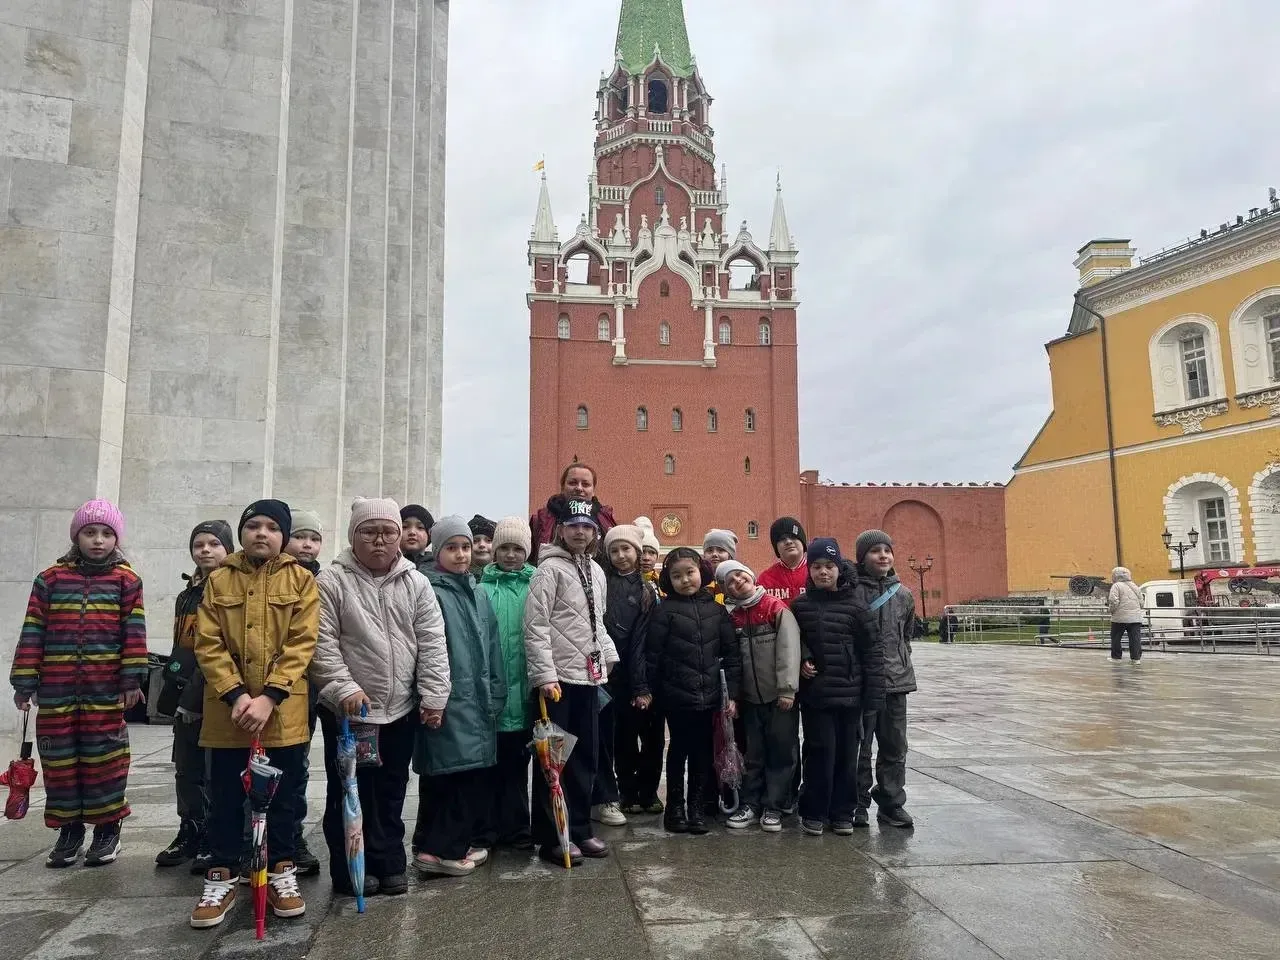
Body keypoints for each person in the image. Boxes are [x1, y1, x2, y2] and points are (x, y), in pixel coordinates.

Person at [311, 498, 450, 898]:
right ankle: (351, 869)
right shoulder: (331, 581)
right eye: (369, 532)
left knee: (391, 789)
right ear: (353, 536)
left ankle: (389, 861)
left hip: (400, 709)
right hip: (350, 712)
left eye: (388, 532)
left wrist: (434, 695)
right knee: (349, 792)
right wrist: (344, 689)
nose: (379, 540)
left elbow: (432, 642)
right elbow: (321, 644)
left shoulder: (415, 582)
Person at [191, 500, 319, 929]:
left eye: (271, 527)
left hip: (282, 713)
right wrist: (235, 694)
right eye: (253, 526)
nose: (261, 533)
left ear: (284, 536)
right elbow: (208, 642)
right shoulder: (219, 579)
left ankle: (281, 869)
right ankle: (223, 874)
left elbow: (303, 642)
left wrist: (269, 697)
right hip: (229, 713)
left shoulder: (301, 580)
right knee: (225, 798)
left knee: (285, 798)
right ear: (242, 533)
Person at [9, 499, 148, 869]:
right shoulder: (50, 580)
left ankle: (107, 829)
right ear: (77, 537)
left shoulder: (126, 581)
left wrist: (130, 679)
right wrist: (25, 682)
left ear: (116, 539)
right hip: (56, 691)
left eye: (106, 533)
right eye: (90, 532)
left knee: (105, 759)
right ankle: (68, 830)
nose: (98, 540)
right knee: (60, 761)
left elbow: (134, 633)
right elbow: (33, 631)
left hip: (104, 691)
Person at [524, 497, 619, 865]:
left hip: (588, 679)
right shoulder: (548, 570)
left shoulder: (596, 570)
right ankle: (553, 836)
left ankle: (579, 827)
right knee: (554, 761)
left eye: (587, 526)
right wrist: (544, 675)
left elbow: (597, 621)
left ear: (595, 532)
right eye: (573, 525)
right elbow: (535, 626)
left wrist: (608, 657)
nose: (580, 532)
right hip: (558, 681)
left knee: (585, 758)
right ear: (560, 529)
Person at [411, 516, 506, 878]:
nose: (462, 554)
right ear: (437, 550)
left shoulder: (477, 592)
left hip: (477, 700)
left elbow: (493, 645)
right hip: (448, 699)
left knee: (463, 775)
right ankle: (444, 851)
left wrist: (496, 689)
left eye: (465, 547)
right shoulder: (430, 590)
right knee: (452, 778)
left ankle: (438, 845)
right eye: (452, 547)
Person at [791, 538, 884, 838]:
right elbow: (792, 642)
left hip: (850, 696)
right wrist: (803, 658)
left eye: (829, 566)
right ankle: (814, 812)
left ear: (839, 568)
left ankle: (843, 812)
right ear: (810, 570)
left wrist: (873, 697)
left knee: (847, 755)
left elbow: (872, 652)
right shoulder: (801, 606)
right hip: (816, 696)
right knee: (819, 753)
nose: (823, 572)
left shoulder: (856, 607)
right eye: (817, 566)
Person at [155, 520, 234, 872]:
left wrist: (194, 696)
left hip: (212, 692)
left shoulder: (229, 589)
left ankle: (214, 835)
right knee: (186, 768)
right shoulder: (187, 593)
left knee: (214, 770)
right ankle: (190, 828)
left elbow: (217, 649)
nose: (205, 550)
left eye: (214, 544)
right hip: (182, 687)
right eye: (199, 544)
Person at [646, 548, 740, 835]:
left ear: (701, 572)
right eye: (677, 576)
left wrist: (733, 695)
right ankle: (675, 807)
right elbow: (653, 656)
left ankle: (697, 806)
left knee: (702, 752)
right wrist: (650, 691)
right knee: (678, 750)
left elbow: (732, 655)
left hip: (709, 696)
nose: (685, 580)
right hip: (675, 698)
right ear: (668, 580)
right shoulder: (664, 611)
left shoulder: (717, 611)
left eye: (690, 573)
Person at [719, 560, 800, 833]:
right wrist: (735, 697)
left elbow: (789, 650)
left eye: (739, 575)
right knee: (753, 754)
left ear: (751, 576)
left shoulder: (775, 608)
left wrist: (787, 688)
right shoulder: (733, 617)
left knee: (781, 753)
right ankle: (751, 804)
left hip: (779, 698)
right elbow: (732, 661)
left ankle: (774, 806)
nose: (737, 582)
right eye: (729, 582)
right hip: (750, 700)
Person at [850, 530, 917, 830]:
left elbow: (906, 636)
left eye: (887, 550)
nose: (883, 556)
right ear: (862, 557)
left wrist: (900, 662)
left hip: (896, 683)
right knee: (860, 747)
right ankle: (857, 803)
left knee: (894, 747)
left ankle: (891, 803)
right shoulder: (852, 592)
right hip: (863, 684)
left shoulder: (904, 594)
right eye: (875, 551)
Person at [478, 517, 537, 849]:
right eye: (504, 548)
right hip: (494, 694)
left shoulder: (536, 585)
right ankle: (486, 828)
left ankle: (517, 828)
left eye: (517, 548)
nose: (511, 555)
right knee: (489, 766)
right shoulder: (481, 589)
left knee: (517, 765)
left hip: (525, 693)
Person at [602, 525, 662, 817]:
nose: (621, 555)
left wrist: (642, 686)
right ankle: (626, 791)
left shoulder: (647, 591)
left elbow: (640, 641)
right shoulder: (602, 583)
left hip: (643, 675)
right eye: (614, 550)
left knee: (651, 738)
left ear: (637, 553)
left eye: (626, 549)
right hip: (613, 676)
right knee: (623, 738)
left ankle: (649, 792)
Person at [284, 506, 324, 876]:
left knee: (297, 766)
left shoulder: (323, 581)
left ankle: (291, 838)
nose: (306, 545)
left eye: (314, 539)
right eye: (299, 537)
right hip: (274, 687)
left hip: (310, 688)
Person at [529, 463, 617, 564]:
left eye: (585, 484)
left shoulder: (606, 520)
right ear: (562, 487)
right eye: (572, 483)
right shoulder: (540, 521)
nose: (579, 488)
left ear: (593, 491)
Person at [758, 517, 808, 607]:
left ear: (802, 542)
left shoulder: (817, 573)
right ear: (776, 547)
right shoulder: (765, 579)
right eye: (782, 539)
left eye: (793, 537)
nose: (788, 541)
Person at [1107, 566, 1144, 662]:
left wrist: (1111, 610)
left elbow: (1113, 601)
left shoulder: (1116, 586)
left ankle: (1116, 657)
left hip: (1119, 618)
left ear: (1115, 575)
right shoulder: (1134, 586)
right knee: (1135, 639)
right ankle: (1136, 659)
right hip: (1135, 618)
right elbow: (1141, 602)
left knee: (1116, 638)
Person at [286, 510, 324, 575]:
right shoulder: (272, 575)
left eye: (314, 539)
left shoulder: (323, 578)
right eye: (299, 537)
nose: (308, 544)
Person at [400, 504, 434, 572]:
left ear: (429, 534)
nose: (412, 532)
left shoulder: (440, 566)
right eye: (405, 527)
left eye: (420, 527)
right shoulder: (387, 564)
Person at [635, 517, 663, 595]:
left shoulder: (663, 583)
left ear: (657, 557)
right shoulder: (626, 583)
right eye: (642, 552)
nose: (646, 558)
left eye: (652, 553)